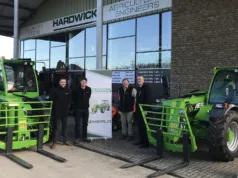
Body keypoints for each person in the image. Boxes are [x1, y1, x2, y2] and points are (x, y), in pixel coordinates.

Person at [50, 77, 72, 149]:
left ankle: (65, 141)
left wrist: (67, 109)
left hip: (65, 112)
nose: (63, 83)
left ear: (66, 83)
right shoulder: (54, 90)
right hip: (56, 112)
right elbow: (51, 99)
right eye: (62, 82)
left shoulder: (68, 90)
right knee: (56, 128)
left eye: (64, 82)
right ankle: (54, 142)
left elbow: (69, 100)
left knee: (65, 127)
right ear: (59, 82)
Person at [133, 75, 152, 149]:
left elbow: (148, 99)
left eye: (140, 79)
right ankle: (141, 140)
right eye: (138, 79)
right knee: (140, 126)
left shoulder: (147, 88)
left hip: (144, 111)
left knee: (144, 126)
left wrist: (146, 109)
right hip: (139, 110)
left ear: (143, 80)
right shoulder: (138, 88)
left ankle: (146, 142)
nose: (139, 80)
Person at [73, 78, 92, 144]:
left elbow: (88, 97)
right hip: (78, 109)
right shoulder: (76, 89)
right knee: (77, 124)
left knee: (85, 124)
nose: (84, 83)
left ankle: (84, 137)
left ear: (86, 83)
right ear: (80, 82)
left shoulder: (88, 89)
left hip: (86, 109)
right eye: (82, 81)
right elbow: (73, 99)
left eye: (85, 82)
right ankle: (77, 138)